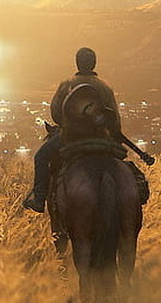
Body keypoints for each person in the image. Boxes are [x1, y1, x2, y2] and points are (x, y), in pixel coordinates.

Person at [23, 47, 122, 212]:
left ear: (77, 63)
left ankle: (39, 198)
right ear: (94, 63)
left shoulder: (67, 84)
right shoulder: (105, 87)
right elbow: (114, 119)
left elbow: (55, 113)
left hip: (70, 138)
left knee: (41, 157)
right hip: (102, 138)